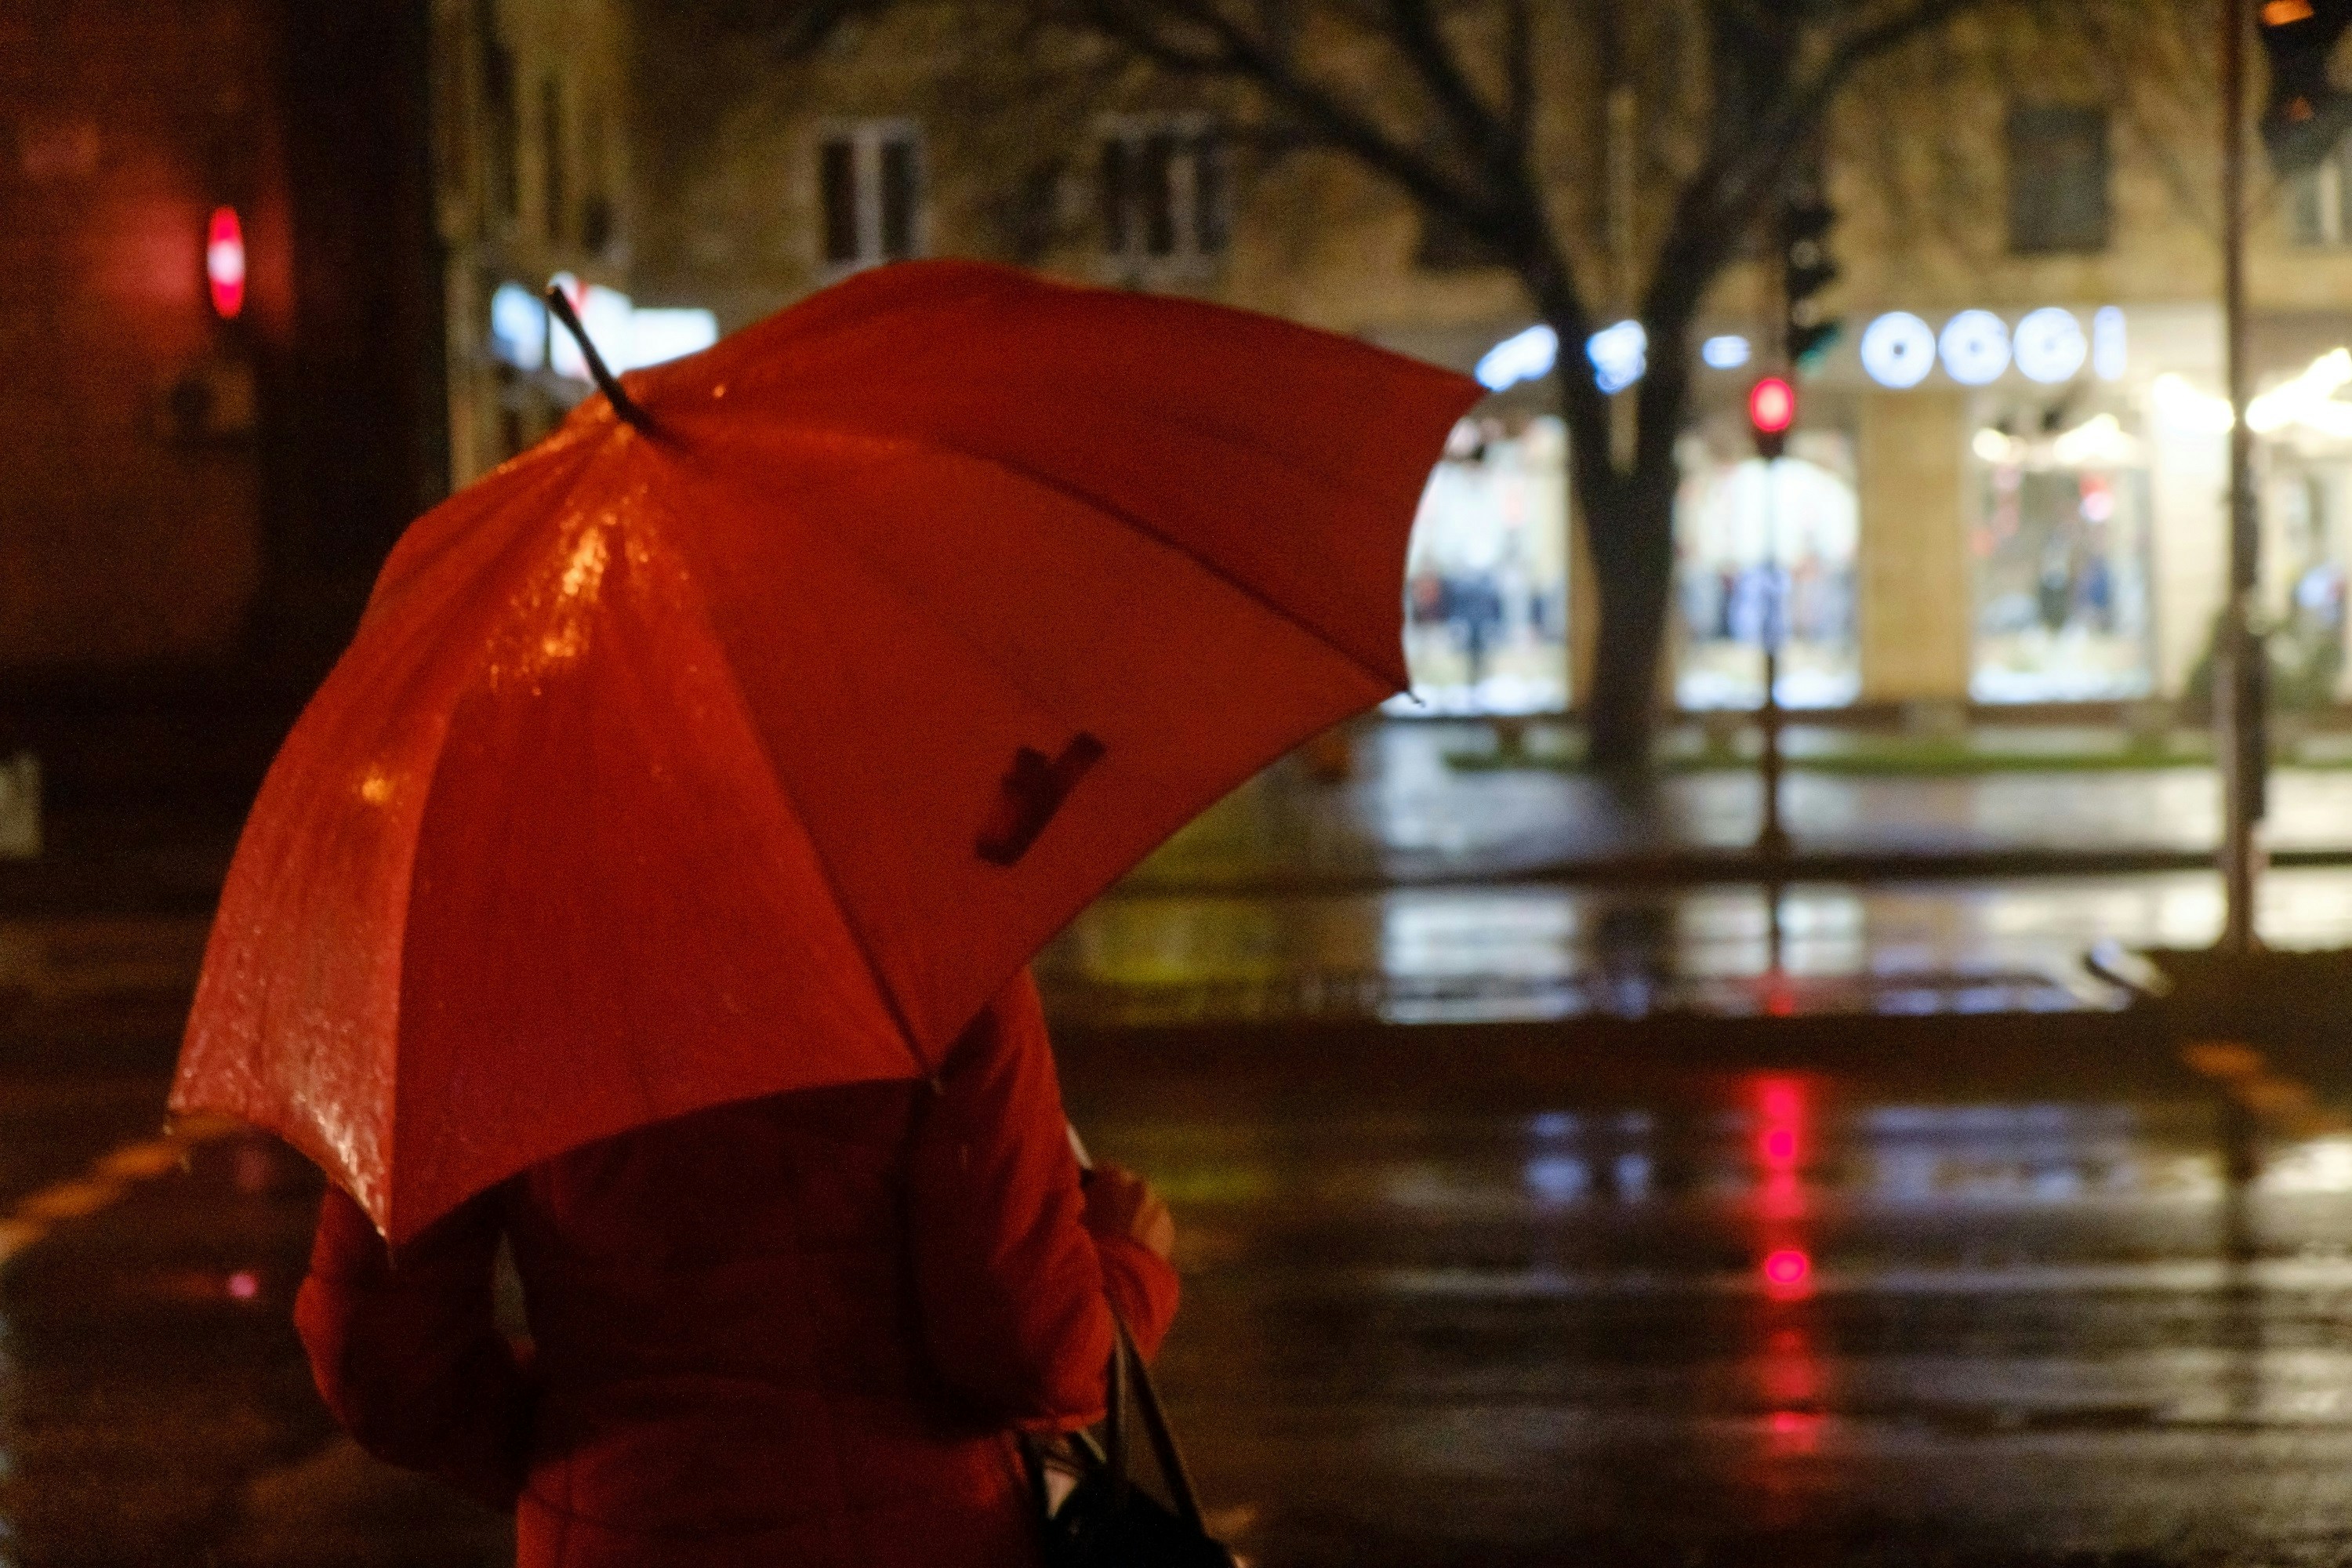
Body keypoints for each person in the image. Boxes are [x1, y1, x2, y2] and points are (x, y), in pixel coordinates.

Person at [295, 972, 1178, 1566]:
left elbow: (382, 1360)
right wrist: (1126, 1262)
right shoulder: (925, 941)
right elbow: (1028, 1346)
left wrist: (589, 1453)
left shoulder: (477, 964)